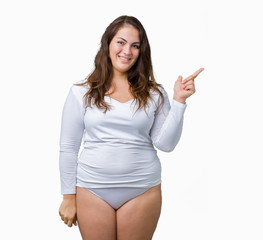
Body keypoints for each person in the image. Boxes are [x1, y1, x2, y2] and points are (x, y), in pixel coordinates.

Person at [58, 15, 204, 240]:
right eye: (121, 42)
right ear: (108, 43)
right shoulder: (81, 92)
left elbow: (165, 144)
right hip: (92, 190)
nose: (127, 51)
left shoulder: (154, 93)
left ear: (141, 52)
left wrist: (179, 102)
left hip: (142, 190)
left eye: (135, 46)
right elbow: (68, 147)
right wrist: (68, 197)